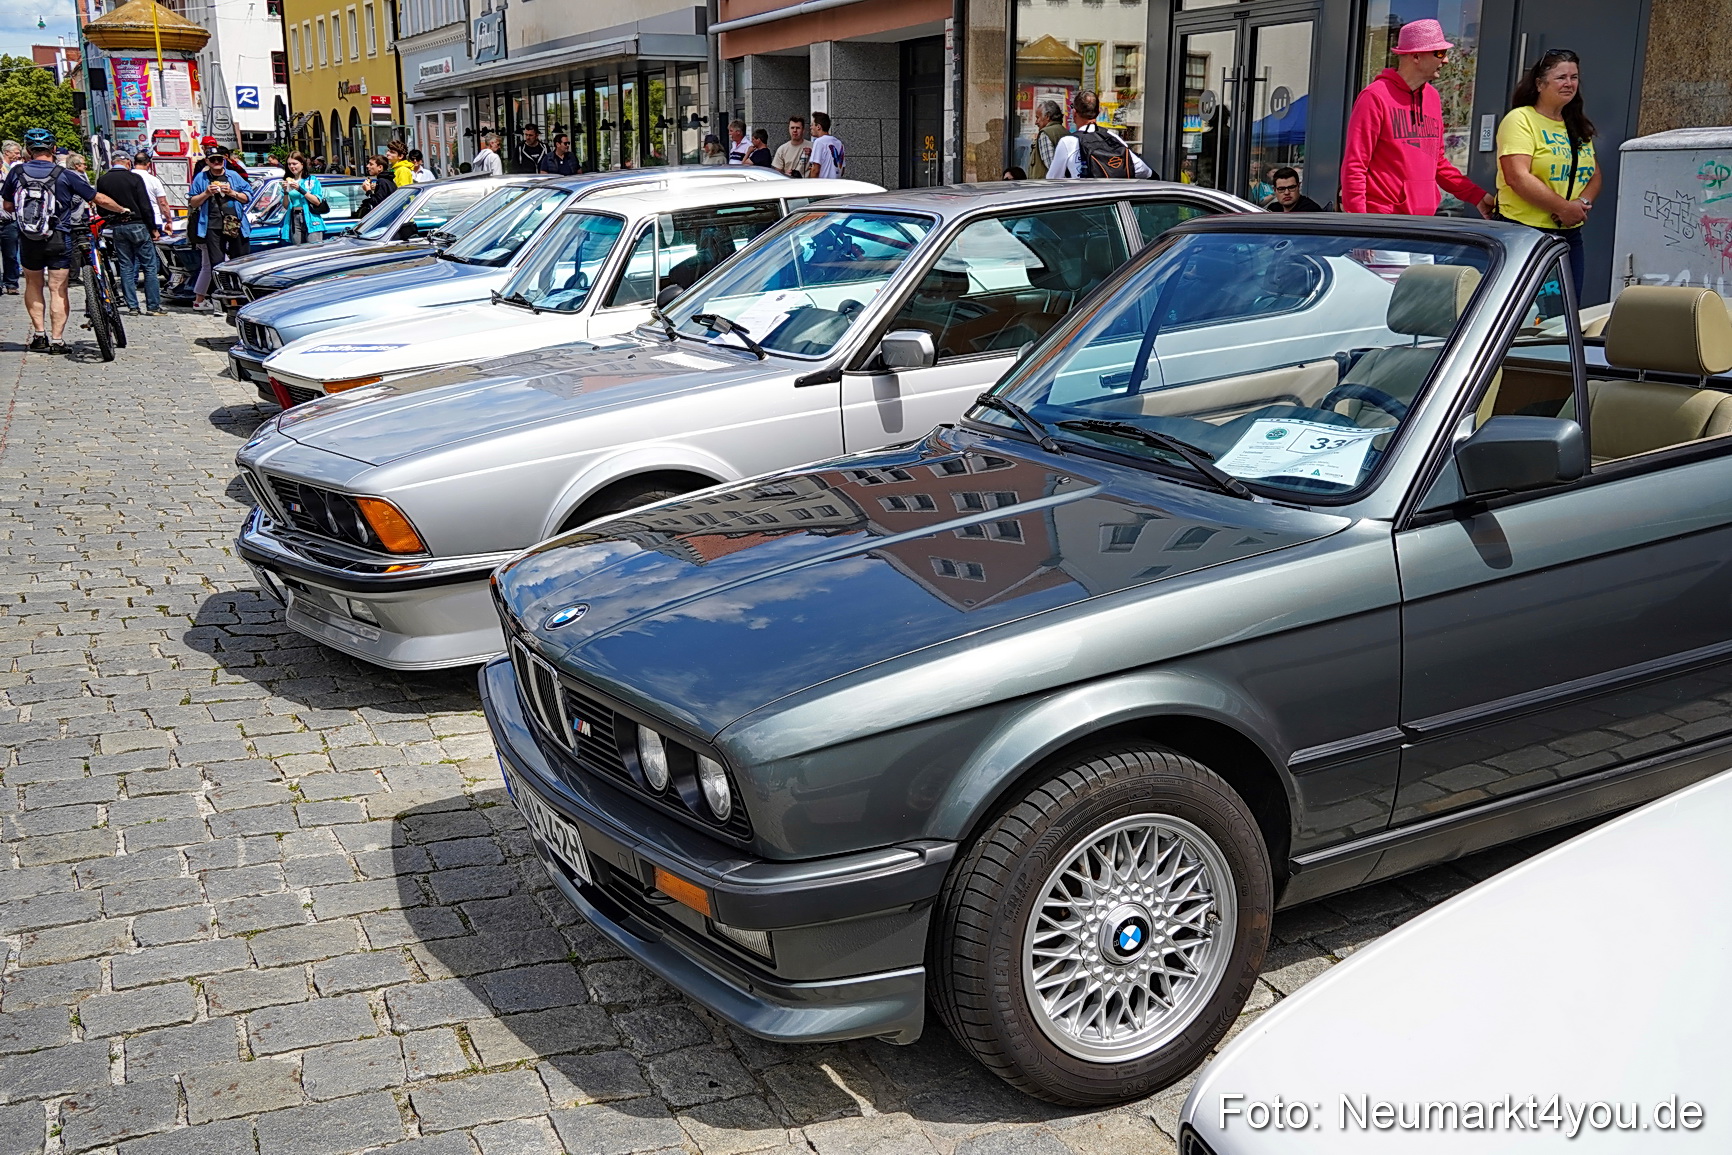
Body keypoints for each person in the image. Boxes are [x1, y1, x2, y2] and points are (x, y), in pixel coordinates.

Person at [1340, 18, 1494, 218]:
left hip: (1424, 222)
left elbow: (1437, 163)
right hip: (1382, 222)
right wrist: (1359, 227)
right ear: (1415, 56)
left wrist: (1477, 196)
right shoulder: (1375, 97)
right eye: (1439, 53)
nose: (1445, 60)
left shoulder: (1432, 98)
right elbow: (1355, 166)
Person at [1495, 48, 1601, 300]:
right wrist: (1563, 207)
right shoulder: (1520, 119)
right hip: (1524, 233)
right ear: (1540, 84)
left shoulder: (1575, 123)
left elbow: (1594, 173)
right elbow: (1517, 176)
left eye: (1574, 77)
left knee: (1563, 312)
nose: (1569, 84)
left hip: (1568, 234)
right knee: (1526, 313)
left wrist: (1581, 203)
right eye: (1561, 77)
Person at [0, 128, 109, 352]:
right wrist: (122, 208)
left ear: (28, 151)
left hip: (30, 237)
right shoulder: (64, 173)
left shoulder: (17, 172)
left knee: (33, 284)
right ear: (54, 149)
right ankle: (58, 340)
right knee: (58, 288)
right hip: (59, 236)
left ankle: (39, 335)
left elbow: (8, 206)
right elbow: (95, 197)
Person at [95, 153, 163, 315]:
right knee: (149, 266)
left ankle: (132, 306)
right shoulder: (134, 178)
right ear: (127, 163)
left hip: (118, 226)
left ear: (113, 162)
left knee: (126, 267)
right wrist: (153, 228)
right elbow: (145, 205)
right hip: (138, 224)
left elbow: (101, 207)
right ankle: (153, 306)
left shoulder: (103, 180)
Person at [187, 150, 253, 309]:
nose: (217, 162)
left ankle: (240, 299)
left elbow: (248, 197)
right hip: (212, 225)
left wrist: (232, 193)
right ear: (207, 161)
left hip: (235, 224)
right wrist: (206, 193)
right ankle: (221, 302)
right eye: (213, 159)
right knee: (217, 264)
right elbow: (193, 202)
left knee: (240, 261)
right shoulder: (201, 178)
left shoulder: (233, 176)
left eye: (220, 159)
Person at [1045, 91, 1152, 179]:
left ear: (1074, 113)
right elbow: (1144, 171)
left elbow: (1053, 179)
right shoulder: (1112, 137)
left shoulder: (1068, 142)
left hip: (1085, 201)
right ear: (1099, 111)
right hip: (1114, 200)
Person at [277, 151, 330, 247]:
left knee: (314, 249)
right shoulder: (287, 181)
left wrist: (299, 189)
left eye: (294, 163)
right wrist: (285, 192)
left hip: (311, 218)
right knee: (298, 251)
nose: (292, 167)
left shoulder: (312, 180)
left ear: (302, 164)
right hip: (294, 218)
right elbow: (286, 206)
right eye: (289, 164)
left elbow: (317, 201)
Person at [1, 139, 22, 294]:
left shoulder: (13, 170)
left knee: (11, 254)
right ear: (6, 153)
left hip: (9, 219)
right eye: (16, 152)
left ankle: (11, 283)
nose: (18, 155)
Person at [1027, 100, 1067, 180]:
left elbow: (1052, 167)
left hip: (1046, 188)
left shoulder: (1045, 134)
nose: (1036, 122)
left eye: (1038, 118)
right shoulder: (1065, 132)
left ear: (1047, 116)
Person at [132, 153, 172, 234]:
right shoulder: (153, 180)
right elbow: (162, 203)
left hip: (132, 221)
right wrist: (169, 221)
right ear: (148, 164)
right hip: (154, 220)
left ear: (134, 163)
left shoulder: (126, 178)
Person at [806, 112, 845, 179]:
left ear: (818, 127)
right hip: (837, 185)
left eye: (812, 125)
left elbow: (815, 170)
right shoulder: (839, 143)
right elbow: (842, 170)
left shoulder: (819, 142)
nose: (810, 127)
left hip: (823, 185)